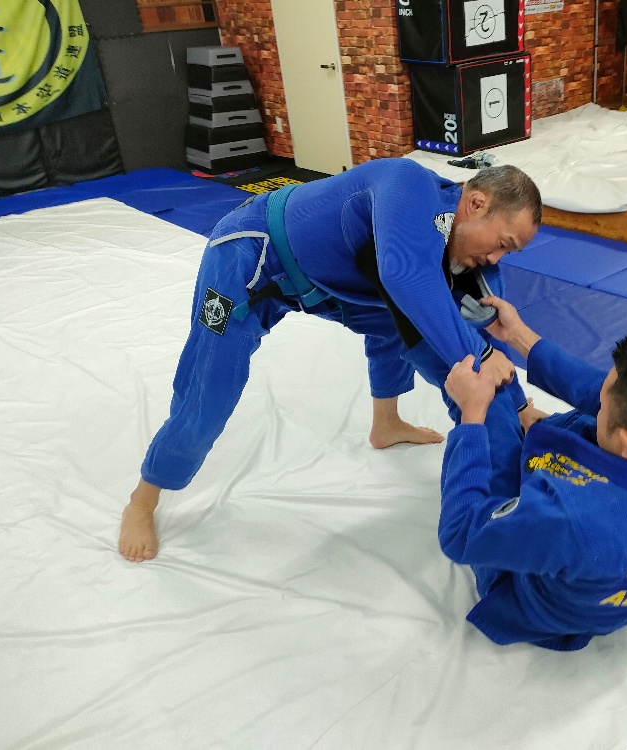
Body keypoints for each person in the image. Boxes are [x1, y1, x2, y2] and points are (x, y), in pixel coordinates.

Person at [119, 159, 544, 562]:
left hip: (328, 284)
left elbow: (485, 328)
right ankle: (144, 498)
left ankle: (387, 425)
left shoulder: (469, 252)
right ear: (476, 204)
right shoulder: (409, 183)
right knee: (210, 390)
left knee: (408, 328)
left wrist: (520, 408)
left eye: (509, 254)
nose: (496, 259)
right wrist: (482, 356)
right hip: (251, 257)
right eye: (502, 244)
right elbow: (404, 275)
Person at [438, 296, 627, 651]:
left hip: (536, 593)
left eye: (603, 405)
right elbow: (602, 393)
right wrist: (518, 335)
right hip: (608, 559)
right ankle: (535, 421)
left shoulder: (573, 519)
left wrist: (471, 416)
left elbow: (460, 533)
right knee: (607, 418)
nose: (598, 403)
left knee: (490, 395)